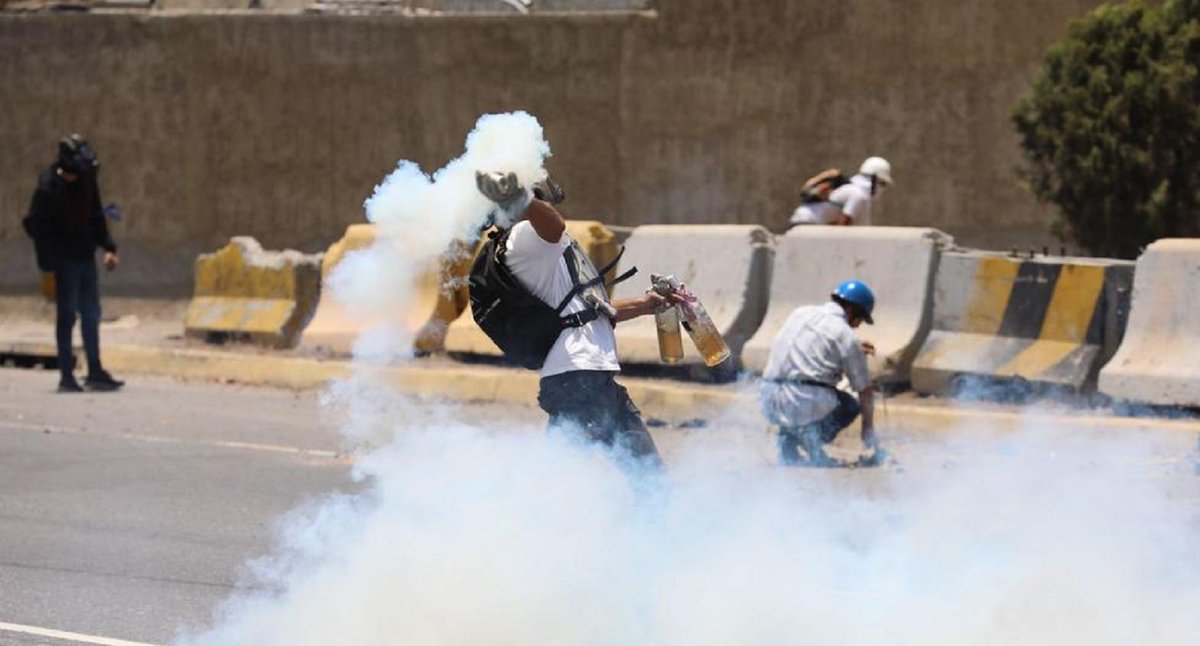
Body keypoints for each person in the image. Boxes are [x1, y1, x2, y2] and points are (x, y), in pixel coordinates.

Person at [475, 170, 678, 483]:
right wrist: (519, 198)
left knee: (567, 485)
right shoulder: (525, 237)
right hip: (581, 381)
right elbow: (555, 225)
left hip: (583, 380)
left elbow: (587, 311)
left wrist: (647, 304)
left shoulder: (542, 249)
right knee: (646, 482)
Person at [23, 134, 124, 393]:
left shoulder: (87, 181)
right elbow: (35, 228)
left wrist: (108, 247)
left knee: (91, 314)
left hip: (84, 256)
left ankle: (95, 370)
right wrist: (47, 267)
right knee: (66, 317)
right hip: (62, 262)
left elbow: (95, 216)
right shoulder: (48, 189)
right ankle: (67, 376)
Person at [758, 280, 879, 467]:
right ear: (852, 311)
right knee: (850, 405)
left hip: (768, 397)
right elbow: (865, 391)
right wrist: (867, 428)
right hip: (801, 400)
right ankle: (810, 443)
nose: (857, 326)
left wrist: (854, 348)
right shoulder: (846, 335)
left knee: (801, 393)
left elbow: (810, 346)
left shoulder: (800, 313)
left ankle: (788, 441)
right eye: (860, 320)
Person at [788, 156, 893, 228]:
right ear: (874, 180)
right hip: (807, 224)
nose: (882, 189)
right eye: (882, 184)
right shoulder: (858, 194)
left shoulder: (850, 188)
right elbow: (844, 224)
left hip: (803, 222)